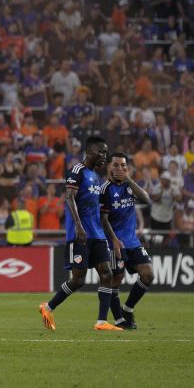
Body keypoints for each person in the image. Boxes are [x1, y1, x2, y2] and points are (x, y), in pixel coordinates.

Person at [40, 136, 124, 332]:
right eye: (101, 152)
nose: (104, 156)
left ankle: (101, 322)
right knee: (78, 279)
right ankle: (48, 307)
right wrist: (78, 226)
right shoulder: (77, 171)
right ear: (89, 152)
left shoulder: (96, 177)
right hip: (81, 235)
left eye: (106, 152)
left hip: (97, 235)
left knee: (107, 273)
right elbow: (69, 198)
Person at [101, 153, 153, 330]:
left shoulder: (129, 186)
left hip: (133, 242)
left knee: (148, 274)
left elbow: (146, 200)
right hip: (116, 243)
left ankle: (128, 309)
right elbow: (103, 218)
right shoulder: (105, 189)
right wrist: (114, 240)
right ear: (109, 167)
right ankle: (118, 320)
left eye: (123, 166)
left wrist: (129, 180)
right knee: (116, 279)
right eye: (116, 165)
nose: (120, 169)